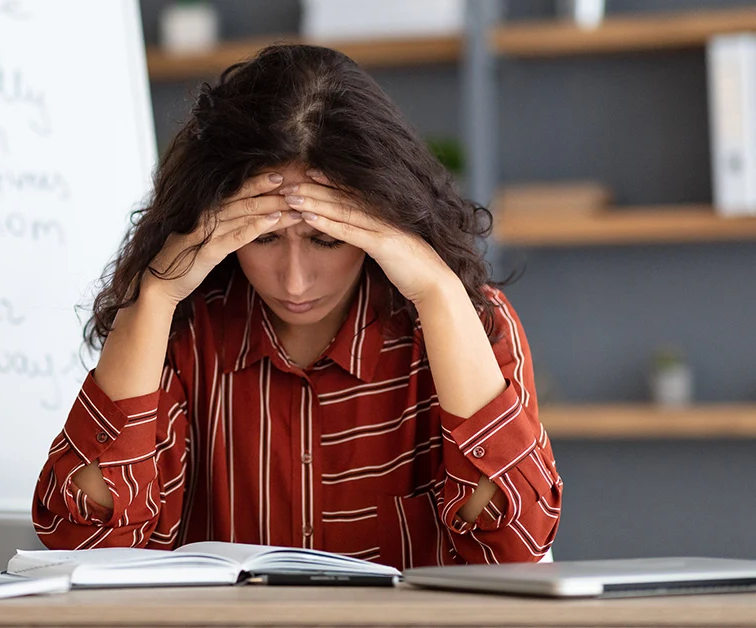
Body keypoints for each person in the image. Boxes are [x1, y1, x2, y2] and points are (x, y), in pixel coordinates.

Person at [32, 44, 561, 568]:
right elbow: (86, 545)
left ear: (387, 223)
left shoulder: (472, 322)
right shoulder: (183, 330)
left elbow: (512, 549)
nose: (294, 279)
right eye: (261, 238)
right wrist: (154, 296)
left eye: (326, 239)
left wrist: (438, 292)